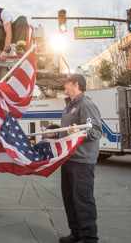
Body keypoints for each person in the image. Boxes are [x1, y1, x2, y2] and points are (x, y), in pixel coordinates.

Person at [57, 74, 102, 243]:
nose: (64, 87)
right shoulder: (69, 106)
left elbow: (96, 131)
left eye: (67, 84)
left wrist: (80, 132)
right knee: (70, 200)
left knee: (83, 199)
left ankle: (89, 238)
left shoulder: (86, 105)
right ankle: (76, 233)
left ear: (76, 85)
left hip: (82, 162)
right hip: (68, 159)